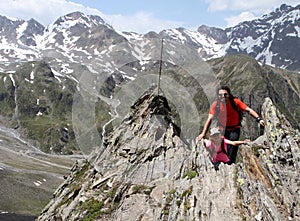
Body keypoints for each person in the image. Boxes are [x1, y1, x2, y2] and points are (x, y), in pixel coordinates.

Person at [197, 85, 264, 164]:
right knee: (220, 147)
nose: (223, 96)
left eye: (225, 94)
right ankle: (219, 163)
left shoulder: (235, 102)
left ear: (229, 94)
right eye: (221, 95)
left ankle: (230, 165)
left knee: (232, 148)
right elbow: (209, 119)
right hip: (222, 129)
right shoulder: (216, 105)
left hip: (234, 128)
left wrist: (258, 119)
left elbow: (248, 110)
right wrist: (203, 134)